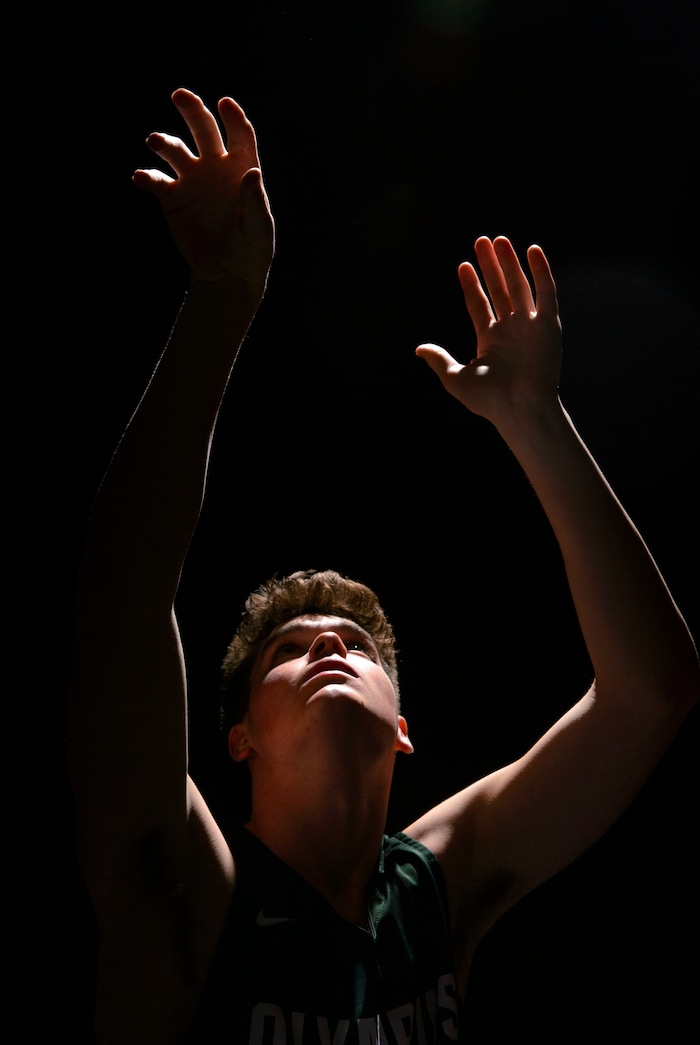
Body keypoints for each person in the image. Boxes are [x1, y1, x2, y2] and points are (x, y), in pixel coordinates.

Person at [66, 88, 699, 1045]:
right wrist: (218, 302)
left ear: (402, 727)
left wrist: (538, 421)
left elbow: (654, 692)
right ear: (236, 737)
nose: (327, 643)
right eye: (290, 649)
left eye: (356, 643)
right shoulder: (190, 888)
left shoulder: (440, 882)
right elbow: (123, 594)